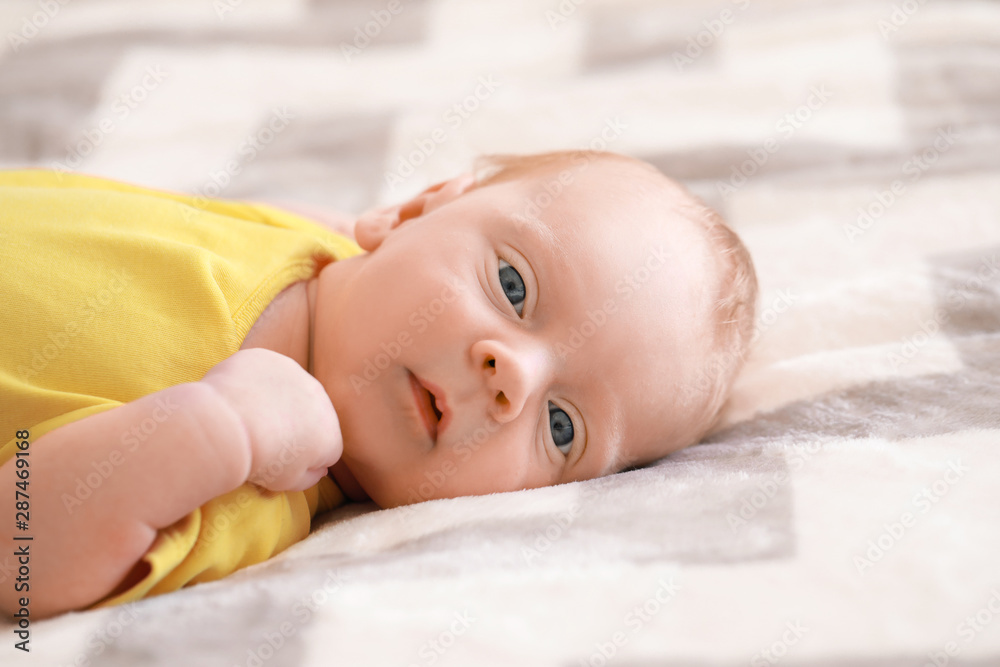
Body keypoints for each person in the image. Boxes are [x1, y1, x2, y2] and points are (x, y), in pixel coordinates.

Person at [0, 150, 757, 618]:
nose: (514, 378)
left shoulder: (259, 485)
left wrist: (216, 429)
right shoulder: (306, 243)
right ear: (416, 206)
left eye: (562, 427)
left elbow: (19, 553)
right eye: (513, 285)